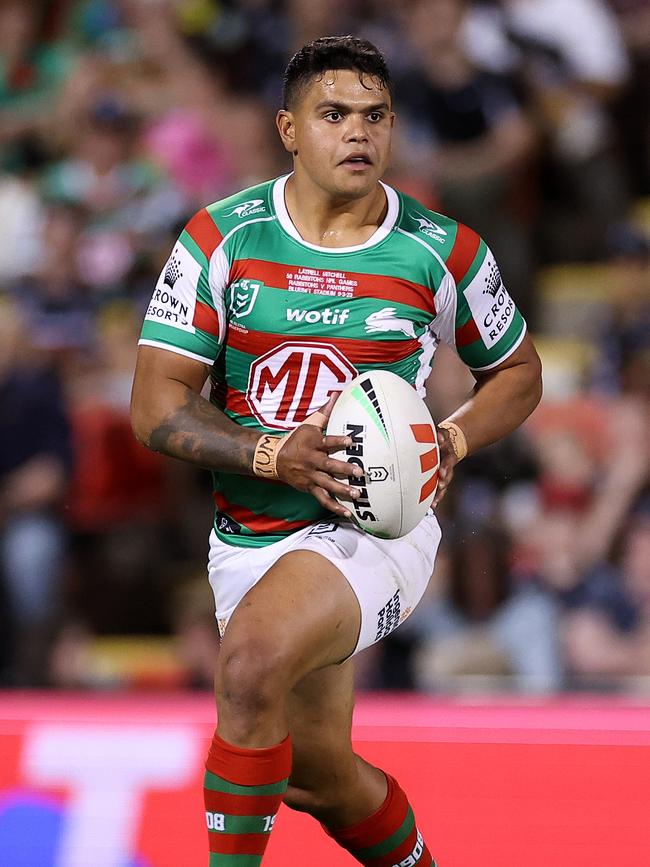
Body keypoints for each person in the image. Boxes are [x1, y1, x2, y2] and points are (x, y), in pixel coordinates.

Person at [130, 36, 542, 867]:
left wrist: (450, 437)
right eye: (334, 115)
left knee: (249, 665)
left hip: (376, 526)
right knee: (314, 776)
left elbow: (520, 373)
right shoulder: (222, 239)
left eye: (375, 116)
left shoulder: (441, 249)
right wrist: (269, 455)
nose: (358, 133)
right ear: (289, 128)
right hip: (249, 529)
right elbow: (153, 406)